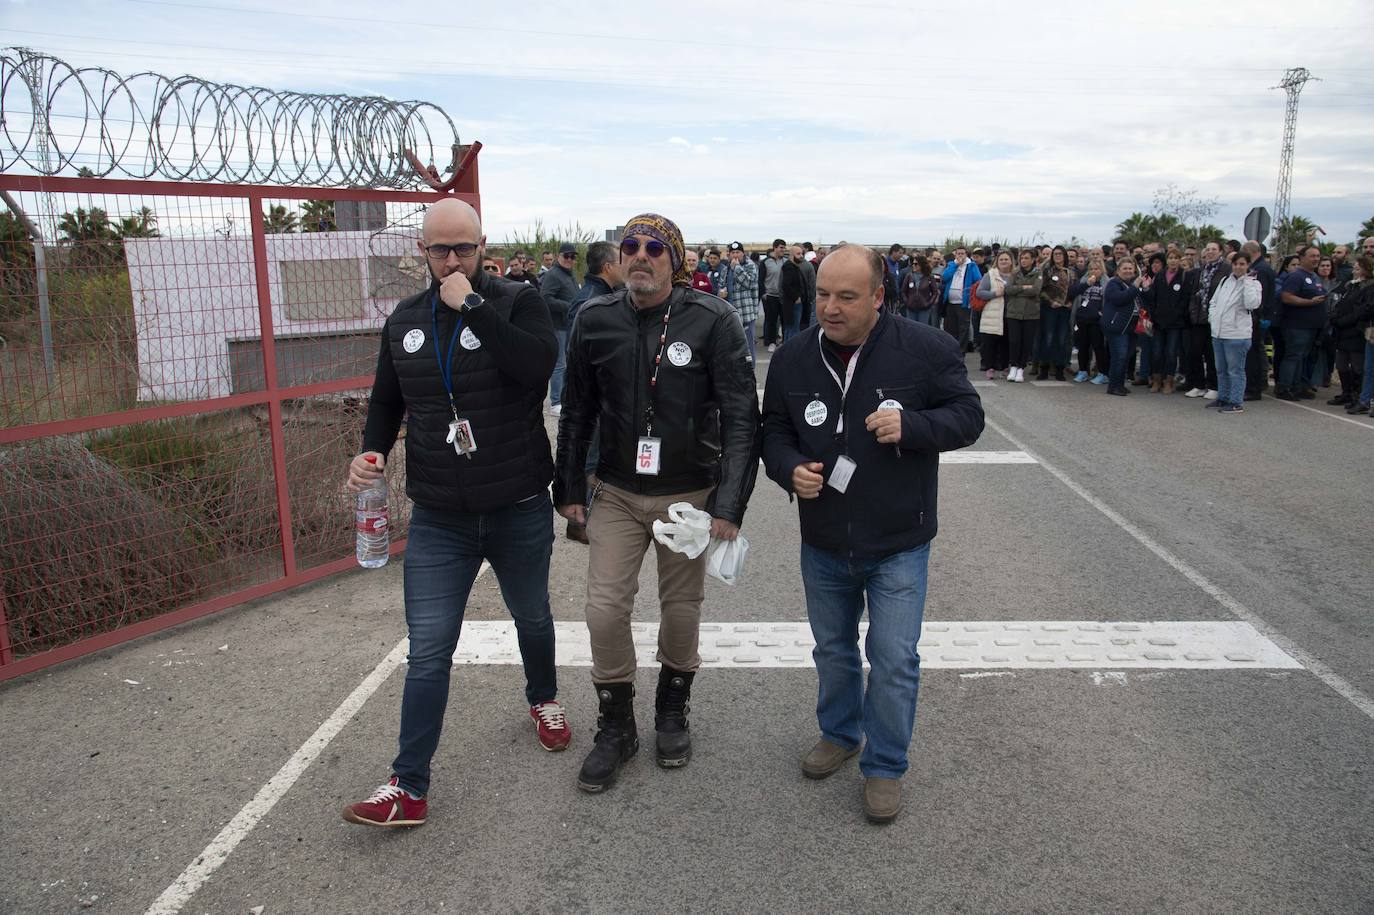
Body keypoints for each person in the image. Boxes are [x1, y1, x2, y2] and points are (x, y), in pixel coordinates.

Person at [341, 198, 566, 828]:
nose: (452, 260)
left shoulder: (518, 301)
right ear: (422, 251)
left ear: (482, 246)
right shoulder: (405, 320)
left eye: (463, 248)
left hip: (517, 502)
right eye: (440, 250)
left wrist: (472, 305)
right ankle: (408, 786)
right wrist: (371, 450)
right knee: (429, 648)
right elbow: (387, 400)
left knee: (532, 615)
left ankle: (543, 696)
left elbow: (535, 367)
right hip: (440, 514)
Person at [759, 243, 983, 824]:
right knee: (833, 650)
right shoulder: (793, 357)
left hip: (898, 540)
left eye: (846, 297)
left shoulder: (926, 349)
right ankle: (840, 733)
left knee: (893, 658)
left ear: (879, 297)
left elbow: (969, 416)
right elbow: (773, 432)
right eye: (822, 295)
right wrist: (788, 468)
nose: (830, 308)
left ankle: (884, 765)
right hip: (824, 538)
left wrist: (914, 425)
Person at [553, 213, 758, 792]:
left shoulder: (712, 320)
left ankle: (671, 709)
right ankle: (616, 726)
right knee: (604, 610)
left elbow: (742, 417)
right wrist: (568, 488)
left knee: (682, 608)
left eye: (654, 247)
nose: (640, 255)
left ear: (675, 259)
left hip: (687, 495)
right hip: (616, 490)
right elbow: (576, 411)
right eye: (630, 246)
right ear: (618, 257)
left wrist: (729, 503)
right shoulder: (594, 318)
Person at [1208, 251, 1262, 414]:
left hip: (1237, 335)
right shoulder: (1225, 281)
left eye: (1242, 264)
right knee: (1221, 369)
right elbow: (1214, 302)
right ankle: (1223, 397)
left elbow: (1252, 304)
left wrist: (1247, 282)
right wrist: (1213, 318)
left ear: (1248, 265)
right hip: (1218, 333)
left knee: (1235, 370)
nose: (1238, 267)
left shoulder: (1254, 284)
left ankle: (1236, 401)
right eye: (1236, 264)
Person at [1276, 244, 1328, 401]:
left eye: (1317, 256)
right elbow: (1286, 297)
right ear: (1302, 258)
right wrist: (1310, 302)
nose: (1316, 259)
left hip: (1311, 326)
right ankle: (1284, 387)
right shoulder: (1296, 276)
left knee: (1301, 357)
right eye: (1312, 256)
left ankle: (1297, 386)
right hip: (1296, 326)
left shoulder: (1314, 277)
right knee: (1293, 356)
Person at [540, 242, 581, 416]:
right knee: (559, 364)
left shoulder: (569, 275)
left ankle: (564, 398)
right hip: (558, 326)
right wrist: (569, 306)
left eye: (572, 256)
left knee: (568, 364)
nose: (569, 259)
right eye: (566, 256)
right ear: (559, 256)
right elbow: (545, 298)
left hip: (568, 325)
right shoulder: (553, 275)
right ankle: (555, 402)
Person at [1182, 241, 1224, 399]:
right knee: (1195, 351)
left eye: (1214, 249)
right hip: (1199, 317)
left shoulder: (1225, 269)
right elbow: (1195, 293)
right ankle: (1198, 385)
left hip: (1215, 318)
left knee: (1211, 354)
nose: (1210, 252)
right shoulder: (1201, 270)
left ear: (1220, 252)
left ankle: (1214, 386)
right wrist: (1193, 311)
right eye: (1208, 249)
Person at [1327, 256, 1371, 407]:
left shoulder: (1369, 287)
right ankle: (1346, 392)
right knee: (1341, 364)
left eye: (1357, 269)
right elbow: (1340, 303)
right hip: (1342, 332)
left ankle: (1357, 394)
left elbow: (1362, 310)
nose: (1354, 271)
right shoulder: (1350, 286)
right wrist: (1335, 317)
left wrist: (1345, 321)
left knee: (1357, 365)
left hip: (1356, 331)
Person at [1145, 249, 1190, 393]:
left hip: (1175, 323)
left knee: (1171, 353)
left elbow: (1185, 299)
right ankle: (1157, 379)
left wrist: (1177, 315)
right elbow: (1153, 297)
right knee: (1157, 352)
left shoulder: (1184, 275)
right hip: (1159, 322)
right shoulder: (1160, 275)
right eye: (1170, 258)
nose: (1173, 260)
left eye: (1176, 258)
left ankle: (1169, 381)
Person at [1102, 258, 1142, 396]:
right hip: (1117, 326)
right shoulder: (1114, 283)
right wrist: (1135, 288)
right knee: (1119, 356)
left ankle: (1120, 384)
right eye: (1125, 268)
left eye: (1130, 269)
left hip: (1131, 326)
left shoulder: (1130, 284)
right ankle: (1113, 386)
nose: (1128, 271)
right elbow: (1120, 299)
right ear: (1118, 270)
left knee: (1125, 357)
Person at [1241, 241, 1276, 401]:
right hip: (1260, 317)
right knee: (1257, 351)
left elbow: (1259, 296)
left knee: (1253, 354)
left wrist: (1260, 316)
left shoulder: (1259, 270)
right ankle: (1257, 384)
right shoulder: (1263, 267)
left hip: (1257, 318)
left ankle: (1254, 387)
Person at [1002, 249, 1042, 383]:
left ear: (1033, 259)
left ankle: (1021, 368)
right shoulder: (1014, 273)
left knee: (1026, 342)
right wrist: (1024, 287)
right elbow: (1008, 289)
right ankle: (1013, 366)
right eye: (1022, 258)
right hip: (1014, 312)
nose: (1023, 261)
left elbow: (1036, 290)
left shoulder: (1038, 273)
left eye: (1026, 258)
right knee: (1014, 341)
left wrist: (1018, 289)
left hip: (1031, 313)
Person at [1069, 253, 1109, 384]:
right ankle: (1083, 371)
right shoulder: (1083, 280)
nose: (1093, 271)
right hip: (1082, 318)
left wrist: (1101, 314)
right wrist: (1086, 284)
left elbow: (1109, 301)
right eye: (1091, 268)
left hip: (1097, 320)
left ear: (1102, 270)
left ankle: (1103, 373)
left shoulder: (1107, 282)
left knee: (1098, 347)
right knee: (1083, 346)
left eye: (1096, 269)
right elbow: (1073, 292)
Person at [1036, 245, 1074, 380]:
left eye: (1060, 254)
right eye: (1055, 254)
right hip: (1049, 309)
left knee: (1062, 339)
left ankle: (1059, 369)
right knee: (1048, 338)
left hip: (1064, 309)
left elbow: (1073, 290)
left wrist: (1071, 301)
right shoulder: (1047, 271)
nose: (1058, 256)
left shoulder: (1070, 272)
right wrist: (1051, 302)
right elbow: (1041, 290)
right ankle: (1044, 369)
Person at [974, 250, 1012, 379]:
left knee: (1007, 342)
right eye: (1001, 259)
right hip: (993, 313)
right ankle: (990, 367)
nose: (1004, 262)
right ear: (997, 261)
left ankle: (1005, 366)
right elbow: (979, 292)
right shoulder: (990, 275)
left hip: (1010, 313)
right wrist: (995, 294)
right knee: (990, 342)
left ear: (1011, 261)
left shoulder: (1015, 276)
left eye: (1006, 259)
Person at [940, 246, 982, 352]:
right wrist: (955, 265)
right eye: (958, 253)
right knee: (950, 328)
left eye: (962, 253)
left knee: (963, 328)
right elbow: (944, 277)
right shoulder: (951, 264)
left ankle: (961, 350)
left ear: (966, 255)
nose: (960, 256)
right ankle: (951, 349)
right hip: (950, 302)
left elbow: (978, 280)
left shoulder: (971, 265)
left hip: (963, 302)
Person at [726, 241, 761, 362]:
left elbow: (749, 283)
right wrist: (721, 291)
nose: (735, 255)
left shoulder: (750, 265)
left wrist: (737, 268)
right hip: (730, 313)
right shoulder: (727, 267)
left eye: (738, 252)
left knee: (748, 348)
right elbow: (722, 284)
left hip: (746, 314)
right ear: (729, 254)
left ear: (743, 253)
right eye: (733, 253)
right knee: (732, 348)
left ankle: (751, 371)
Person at [760, 238, 788, 352]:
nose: (783, 250)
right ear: (775, 248)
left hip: (783, 296)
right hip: (770, 295)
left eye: (784, 248)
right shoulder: (765, 262)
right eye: (781, 247)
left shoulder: (786, 261)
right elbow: (761, 279)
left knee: (785, 320)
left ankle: (785, 341)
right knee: (771, 320)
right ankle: (771, 342)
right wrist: (763, 293)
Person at [901, 255, 941, 326]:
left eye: (916, 264)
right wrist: (907, 302)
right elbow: (903, 291)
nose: (913, 265)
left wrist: (928, 304)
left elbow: (935, 292)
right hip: (911, 308)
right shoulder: (909, 276)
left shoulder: (929, 277)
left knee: (922, 328)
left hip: (924, 309)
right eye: (913, 263)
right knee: (911, 327)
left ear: (922, 264)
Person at [781, 244, 808, 341]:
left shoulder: (793, 266)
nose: (801, 256)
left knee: (791, 328)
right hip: (793, 303)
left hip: (793, 302)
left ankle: (788, 347)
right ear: (792, 255)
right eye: (798, 254)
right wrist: (796, 297)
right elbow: (786, 285)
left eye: (802, 253)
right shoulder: (789, 267)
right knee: (793, 329)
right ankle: (791, 348)